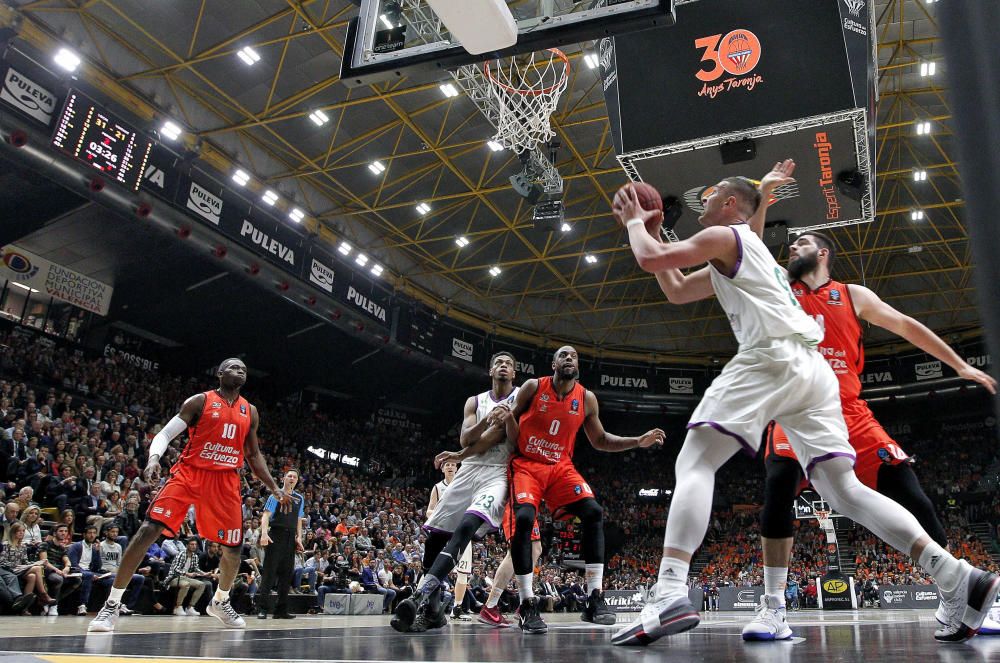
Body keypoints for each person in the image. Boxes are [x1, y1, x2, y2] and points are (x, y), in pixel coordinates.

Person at [608, 177, 1000, 645]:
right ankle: (957, 576)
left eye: (710, 194)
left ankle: (670, 589)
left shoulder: (727, 237)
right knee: (844, 492)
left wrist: (635, 224)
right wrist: (652, 230)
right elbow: (672, 286)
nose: (701, 198)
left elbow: (651, 259)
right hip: (813, 374)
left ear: (730, 203)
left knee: (695, 461)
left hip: (772, 356)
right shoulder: (748, 253)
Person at [733, 173, 1000, 638]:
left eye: (801, 244)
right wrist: (764, 199)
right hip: (795, 409)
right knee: (778, 487)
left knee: (910, 492)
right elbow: (750, 251)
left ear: (824, 253)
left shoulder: (853, 295)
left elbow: (907, 325)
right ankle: (774, 608)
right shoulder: (781, 289)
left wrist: (958, 365)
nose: (792, 248)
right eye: (790, 244)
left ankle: (955, 593)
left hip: (850, 413)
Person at [88, 358, 291, 632]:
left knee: (233, 548)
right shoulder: (199, 401)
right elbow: (166, 433)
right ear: (219, 373)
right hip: (191, 473)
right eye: (233, 367)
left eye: (243, 368)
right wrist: (153, 458)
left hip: (226, 479)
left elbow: (253, 455)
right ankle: (111, 604)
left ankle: (220, 600)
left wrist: (274, 487)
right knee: (148, 530)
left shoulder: (250, 411)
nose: (240, 370)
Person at [503, 346, 665, 634]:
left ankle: (594, 597)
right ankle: (527, 604)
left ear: (578, 365)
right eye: (563, 355)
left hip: (560, 467)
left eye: (574, 356)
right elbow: (508, 421)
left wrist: (636, 441)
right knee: (525, 519)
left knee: (593, 512)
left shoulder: (586, 399)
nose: (569, 359)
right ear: (553, 363)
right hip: (527, 464)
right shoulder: (532, 387)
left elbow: (601, 440)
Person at [390, 352, 522, 633]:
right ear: (490, 370)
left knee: (466, 526)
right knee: (434, 540)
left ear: (514, 373)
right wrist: (486, 423)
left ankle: (419, 596)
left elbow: (504, 438)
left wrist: (465, 448)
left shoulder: (521, 396)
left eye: (508, 364)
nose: (503, 367)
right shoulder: (475, 401)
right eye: (498, 362)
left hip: (497, 473)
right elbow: (466, 437)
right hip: (469, 470)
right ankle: (434, 611)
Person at [256, 468, 305, 619]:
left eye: (294, 477)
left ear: (297, 480)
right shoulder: (275, 496)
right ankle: (262, 609)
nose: (291, 478)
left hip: (291, 538)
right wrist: (264, 534)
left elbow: (298, 519)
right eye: (289, 476)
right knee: (269, 574)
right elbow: (265, 516)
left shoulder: (299, 498)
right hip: (275, 535)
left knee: (286, 575)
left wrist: (299, 538)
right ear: (284, 478)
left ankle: (280, 610)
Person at [166, 537, 210, 616]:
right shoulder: (181, 554)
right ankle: (178, 607)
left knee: (202, 585)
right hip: (174, 578)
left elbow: (196, 568)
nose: (194, 546)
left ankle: (190, 607)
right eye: (191, 544)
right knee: (186, 584)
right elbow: (175, 569)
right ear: (187, 545)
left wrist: (204, 574)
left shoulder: (195, 556)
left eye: (195, 544)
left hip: (186, 578)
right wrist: (186, 573)